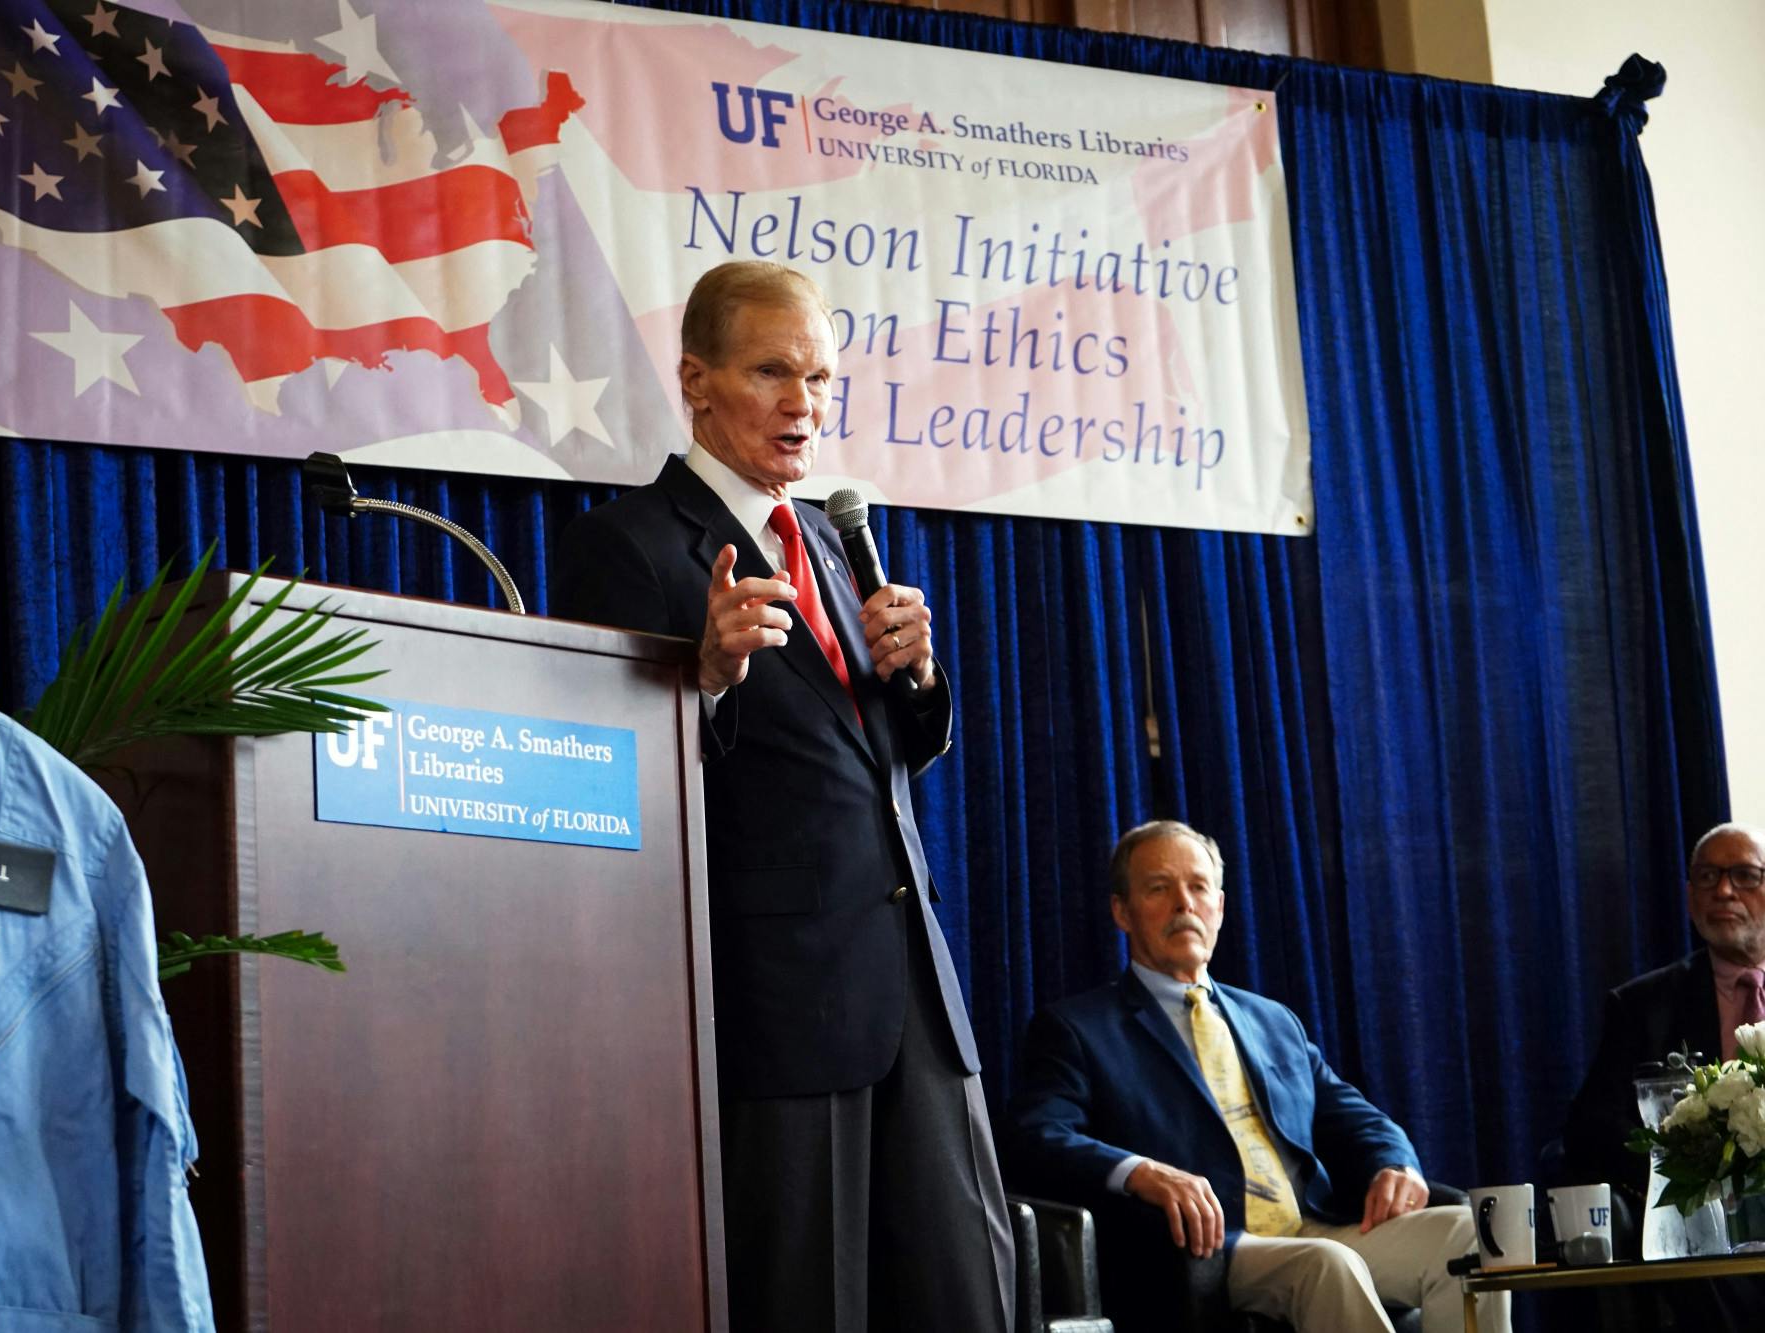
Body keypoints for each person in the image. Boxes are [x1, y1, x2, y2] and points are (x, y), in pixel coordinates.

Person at [551, 261, 1012, 1333]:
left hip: (912, 992)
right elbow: (599, 780)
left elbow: (875, 760)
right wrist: (702, 680)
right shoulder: (625, 547)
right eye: (772, 372)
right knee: (808, 1301)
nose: (804, 403)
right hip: (774, 1001)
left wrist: (921, 681)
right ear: (697, 382)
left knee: (967, 1295)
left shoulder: (830, 546)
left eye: (820, 377)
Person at [1006, 820, 1505, 1333]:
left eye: (1198, 887)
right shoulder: (1078, 1027)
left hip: (1313, 1225)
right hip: (1208, 1246)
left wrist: (1395, 1162)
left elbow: (1355, 1115)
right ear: (1122, 911)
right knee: (1329, 1265)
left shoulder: (1273, 1022)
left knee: (1472, 1235)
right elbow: (1036, 1136)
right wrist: (1141, 1171)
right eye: (1159, 888)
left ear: (1219, 908)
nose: (1184, 903)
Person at [1557, 821, 1765, 1323]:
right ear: (1690, 896)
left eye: (1744, 875)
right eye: (1708, 876)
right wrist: (1684, 1164)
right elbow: (1591, 1125)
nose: (1723, 890)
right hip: (1705, 1210)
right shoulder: (1643, 1006)